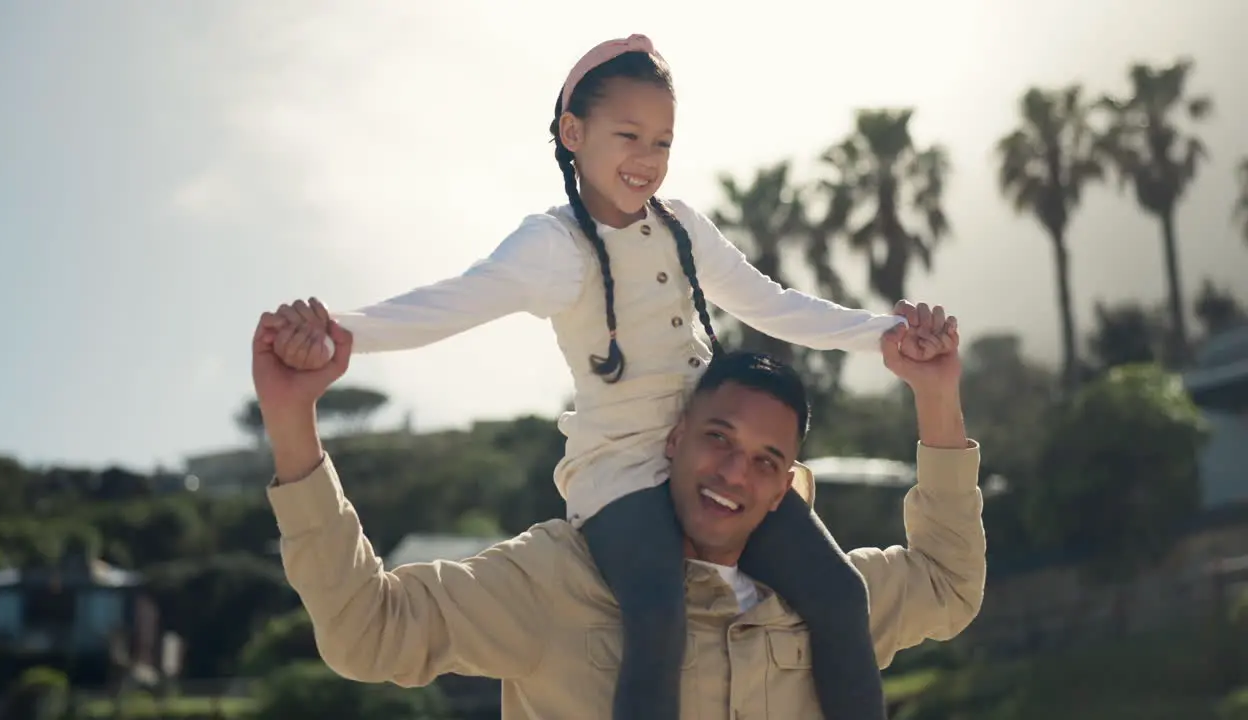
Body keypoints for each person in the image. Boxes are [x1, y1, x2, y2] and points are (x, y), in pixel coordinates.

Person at [262, 34, 958, 720]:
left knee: (840, 593)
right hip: (622, 474)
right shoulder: (553, 246)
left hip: (706, 460)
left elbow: (771, 303)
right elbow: (453, 303)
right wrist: (337, 333)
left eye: (662, 142)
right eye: (628, 135)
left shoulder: (682, 228)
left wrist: (888, 339)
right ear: (573, 132)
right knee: (657, 613)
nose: (646, 160)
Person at [252, 310, 984, 719]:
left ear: (785, 483)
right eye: (718, 439)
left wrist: (935, 395)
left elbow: (949, 586)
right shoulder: (556, 579)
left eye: (765, 461)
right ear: (674, 440)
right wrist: (293, 423)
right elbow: (367, 634)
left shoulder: (828, 602)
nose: (734, 473)